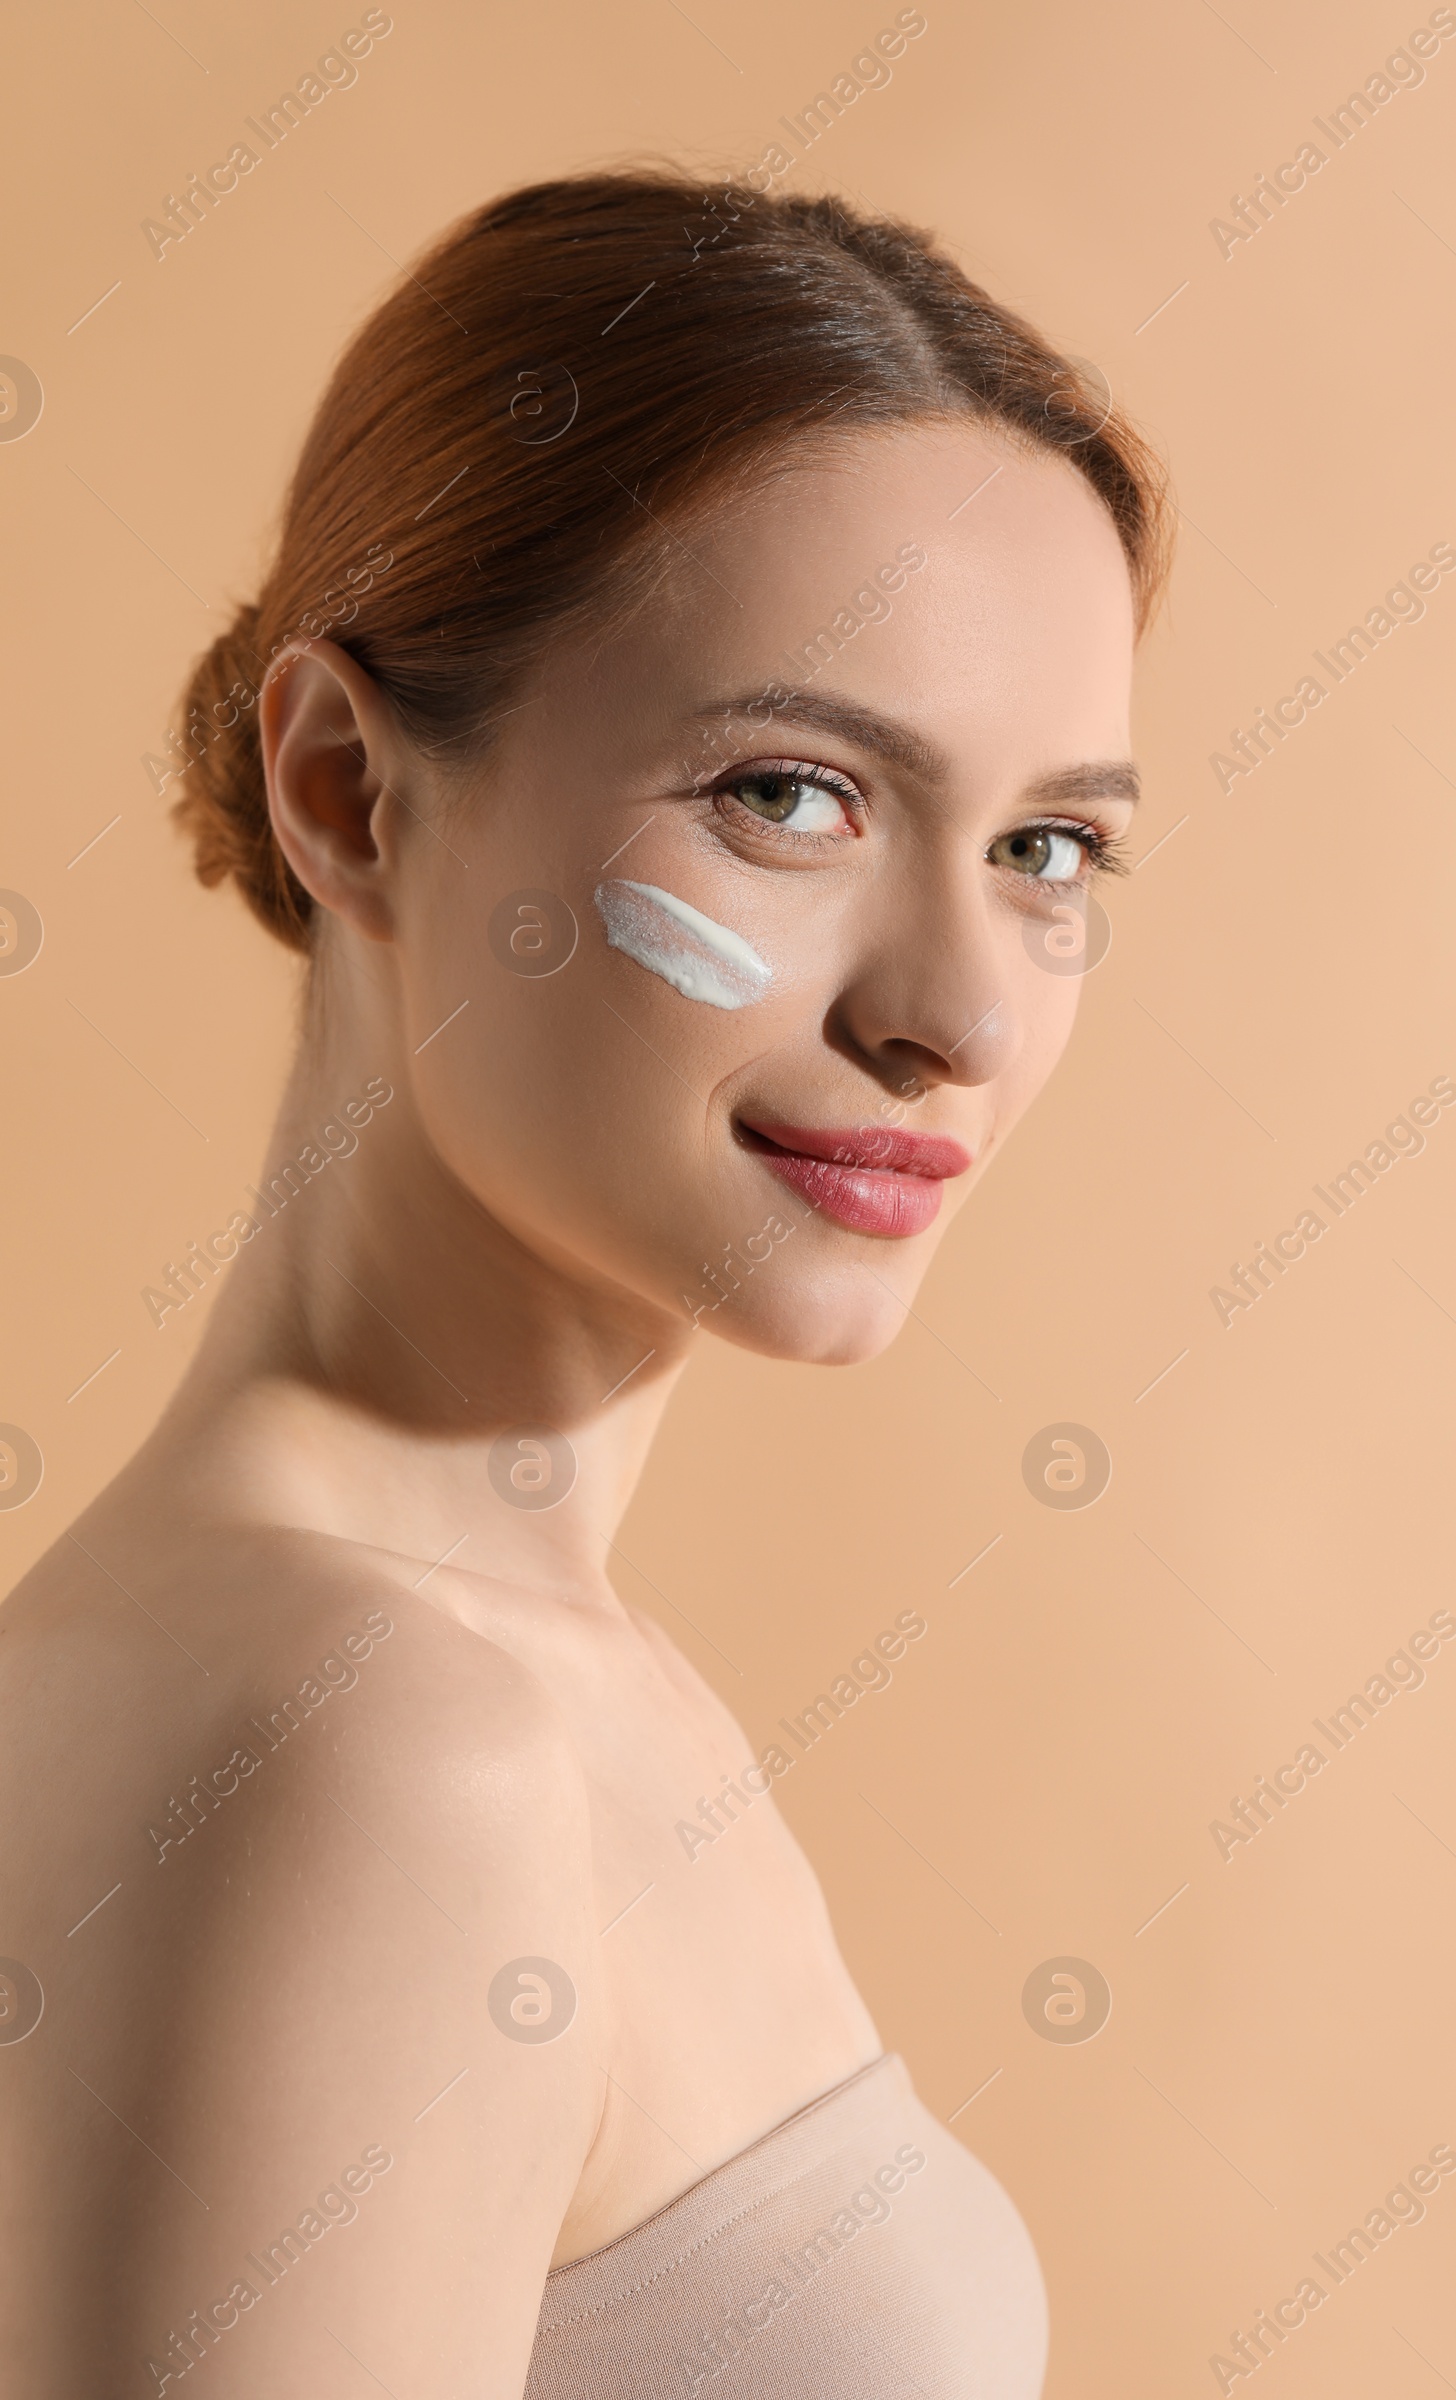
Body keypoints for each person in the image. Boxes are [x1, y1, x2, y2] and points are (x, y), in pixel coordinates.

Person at [0, 172, 1168, 2396]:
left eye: (1044, 850)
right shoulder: (371, 1741)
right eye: (792, 794)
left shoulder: (422, 1664)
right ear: (347, 792)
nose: (962, 1012)